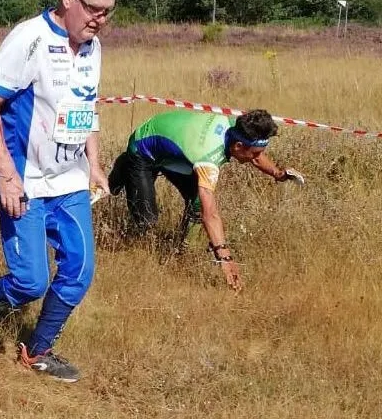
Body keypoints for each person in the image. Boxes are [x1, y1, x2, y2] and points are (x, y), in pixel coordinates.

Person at [0, 0, 117, 383]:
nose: (100, 19)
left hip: (70, 180)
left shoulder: (93, 47)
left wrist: (93, 162)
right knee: (29, 282)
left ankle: (37, 350)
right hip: (24, 178)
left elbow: (85, 105)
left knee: (79, 272)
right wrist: (6, 174)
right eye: (93, 8)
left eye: (108, 11)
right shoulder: (30, 38)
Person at [107, 108, 305, 290]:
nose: (257, 157)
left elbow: (254, 154)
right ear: (238, 146)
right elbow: (210, 214)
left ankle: (181, 253)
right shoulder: (208, 157)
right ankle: (124, 165)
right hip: (143, 148)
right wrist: (224, 257)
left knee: (195, 204)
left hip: (173, 151)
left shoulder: (235, 126)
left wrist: (278, 173)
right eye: (255, 153)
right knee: (147, 221)